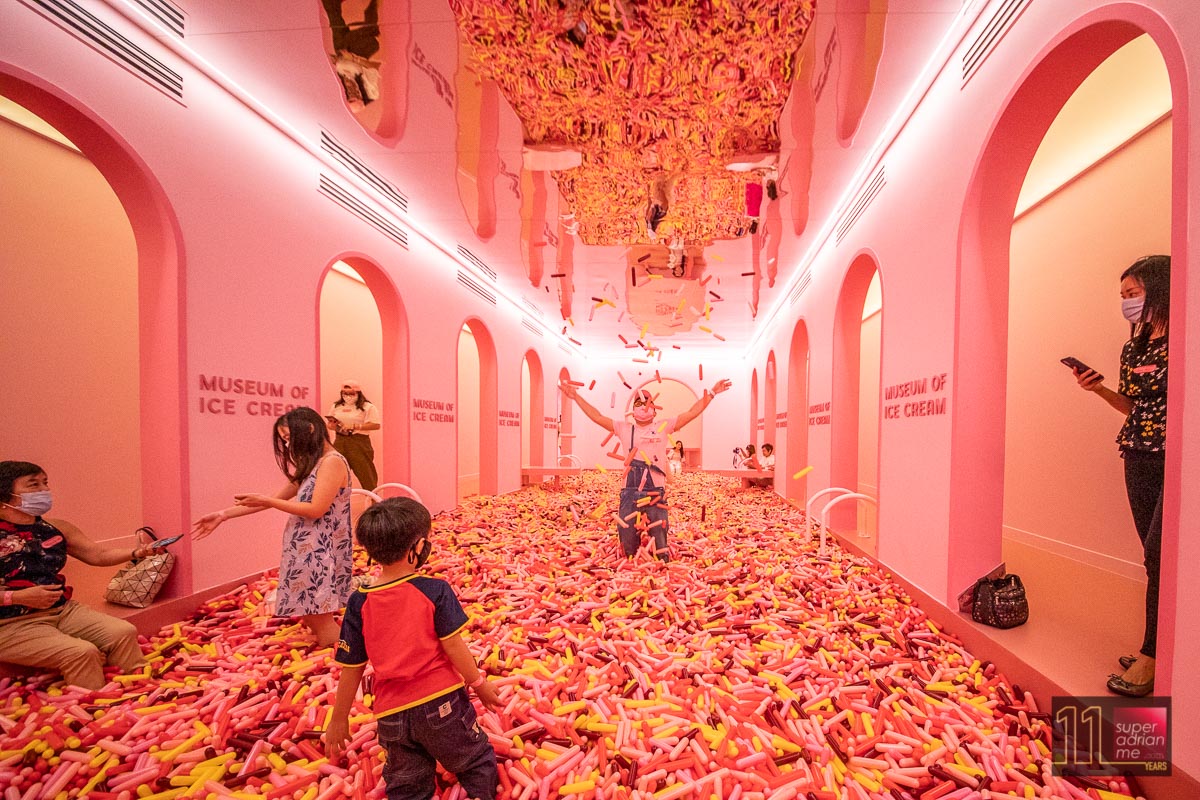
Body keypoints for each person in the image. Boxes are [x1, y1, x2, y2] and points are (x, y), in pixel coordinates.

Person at [324, 498, 501, 799]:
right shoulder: (434, 591)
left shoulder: (360, 601)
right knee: (475, 760)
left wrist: (338, 718)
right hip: (440, 704)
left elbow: (351, 667)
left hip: (391, 714)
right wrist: (478, 683)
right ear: (417, 548)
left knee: (407, 782)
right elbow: (454, 646)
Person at [1071, 255, 1169, 697]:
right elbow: (1131, 406)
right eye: (1124, 297)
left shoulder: (1186, 336)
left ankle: (1151, 654)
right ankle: (1163, 644)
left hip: (1178, 457)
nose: (1128, 303)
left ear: (1161, 289)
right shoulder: (1135, 348)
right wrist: (1098, 389)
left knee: (1162, 553)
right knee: (1154, 559)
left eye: (1135, 294)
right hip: (1138, 452)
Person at [192, 407, 353, 647]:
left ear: (309, 429)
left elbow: (315, 509)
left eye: (289, 438)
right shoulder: (315, 463)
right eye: (285, 440)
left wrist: (268, 501)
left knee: (321, 617)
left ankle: (342, 660)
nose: (288, 446)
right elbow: (272, 499)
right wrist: (223, 515)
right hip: (306, 549)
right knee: (311, 612)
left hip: (319, 551)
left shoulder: (332, 462)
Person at [0, 461, 158, 690]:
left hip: (62, 610)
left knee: (123, 632)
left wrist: (137, 552)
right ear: (6, 497)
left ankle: (141, 691)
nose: (43, 491)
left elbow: (98, 554)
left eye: (45, 483)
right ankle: (95, 711)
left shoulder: (55, 528)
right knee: (81, 652)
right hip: (10, 623)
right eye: (33, 485)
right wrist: (17, 598)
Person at [559, 378, 732, 560]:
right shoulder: (624, 428)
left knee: (659, 532)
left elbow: (691, 413)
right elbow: (597, 416)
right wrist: (576, 397)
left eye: (647, 403)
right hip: (630, 490)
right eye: (639, 403)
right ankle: (629, 563)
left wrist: (711, 393)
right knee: (626, 532)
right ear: (633, 410)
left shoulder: (663, 427)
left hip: (655, 490)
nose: (643, 407)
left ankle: (661, 564)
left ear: (654, 409)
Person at [327, 381, 382, 491]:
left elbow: (376, 425)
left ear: (358, 393)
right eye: (344, 393)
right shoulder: (336, 406)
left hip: (359, 442)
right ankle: (333, 503)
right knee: (335, 471)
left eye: (351, 394)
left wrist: (355, 426)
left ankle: (373, 501)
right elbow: (329, 424)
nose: (347, 397)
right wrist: (332, 426)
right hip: (340, 440)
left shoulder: (367, 407)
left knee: (366, 475)